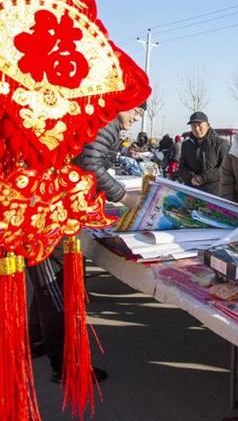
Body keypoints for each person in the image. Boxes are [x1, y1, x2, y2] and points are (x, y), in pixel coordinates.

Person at [27, 105, 147, 384]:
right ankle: (68, 368)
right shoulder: (104, 120)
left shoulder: (99, 119)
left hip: (53, 213)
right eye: (135, 110)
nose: (135, 118)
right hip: (51, 218)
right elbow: (90, 163)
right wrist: (124, 197)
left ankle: (36, 342)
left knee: (49, 289)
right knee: (60, 291)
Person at [179, 112, 229, 195]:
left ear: (208, 125)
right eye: (193, 126)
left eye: (199, 125)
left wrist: (203, 178)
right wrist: (191, 178)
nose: (197, 129)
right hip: (192, 191)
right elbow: (182, 167)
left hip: (214, 193)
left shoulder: (221, 144)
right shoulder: (186, 145)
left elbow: (225, 168)